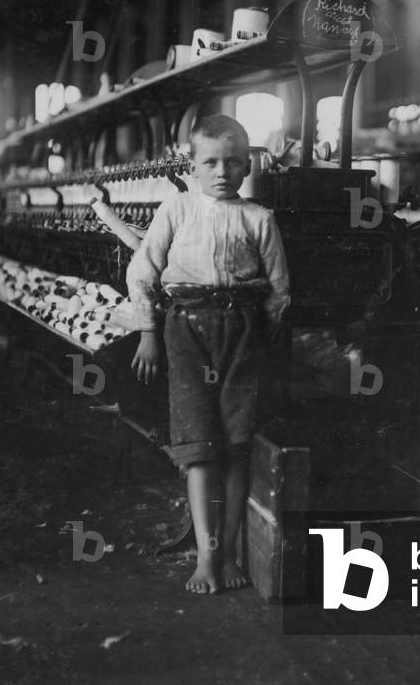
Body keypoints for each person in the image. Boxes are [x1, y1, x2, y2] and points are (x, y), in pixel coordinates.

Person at [126, 115, 290, 594]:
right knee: (200, 450)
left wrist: (263, 337)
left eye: (234, 162)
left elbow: (280, 290)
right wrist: (147, 332)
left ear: (248, 166)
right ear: (192, 165)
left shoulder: (260, 218)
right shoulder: (176, 209)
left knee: (238, 448)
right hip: (185, 330)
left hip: (242, 332)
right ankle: (205, 558)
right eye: (210, 162)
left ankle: (233, 553)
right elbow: (143, 273)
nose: (222, 171)